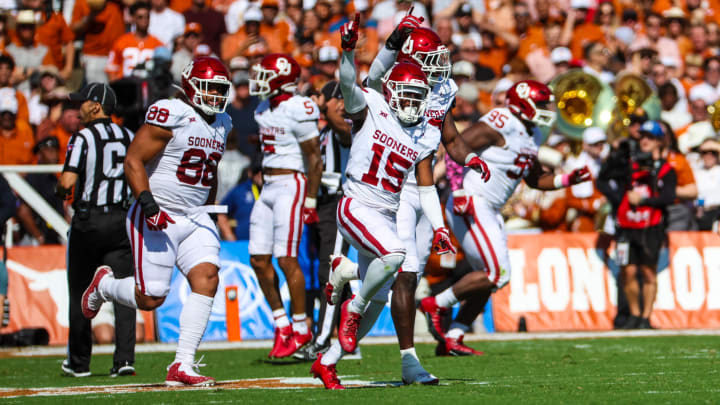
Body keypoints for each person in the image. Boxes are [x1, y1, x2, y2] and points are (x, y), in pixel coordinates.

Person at [325, 18, 490, 384]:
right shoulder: (383, 98)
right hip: (382, 191)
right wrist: (365, 47)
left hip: (418, 176)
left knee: (393, 283)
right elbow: (358, 84)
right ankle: (408, 358)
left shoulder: (440, 92)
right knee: (401, 269)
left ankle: (334, 352)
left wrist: (470, 160)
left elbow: (447, 137)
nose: (438, 70)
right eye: (430, 61)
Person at [81, 57, 233, 386]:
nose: (216, 96)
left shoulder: (223, 122)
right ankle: (105, 285)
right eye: (210, 88)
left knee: (207, 278)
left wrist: (209, 206)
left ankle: (183, 364)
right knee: (151, 299)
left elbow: (210, 170)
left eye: (221, 89)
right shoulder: (172, 112)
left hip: (194, 216)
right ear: (191, 85)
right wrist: (148, 205)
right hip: (160, 211)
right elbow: (134, 159)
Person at [419, 80, 592, 355]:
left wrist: (566, 179)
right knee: (495, 272)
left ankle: (454, 335)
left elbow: (535, 179)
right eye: (541, 103)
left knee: (494, 277)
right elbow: (457, 148)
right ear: (523, 102)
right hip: (474, 201)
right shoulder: (503, 119)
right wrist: (458, 187)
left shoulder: (531, 133)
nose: (546, 109)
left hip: (491, 208)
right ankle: (436, 303)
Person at [55, 83, 136, 378]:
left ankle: (79, 362)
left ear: (96, 105)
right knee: (125, 291)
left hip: (89, 222)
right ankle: (125, 359)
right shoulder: (128, 135)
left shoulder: (83, 137)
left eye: (83, 103)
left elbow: (66, 183)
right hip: (121, 220)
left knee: (79, 290)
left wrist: (60, 191)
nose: (78, 109)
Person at [247, 53, 322, 359]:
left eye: (265, 74)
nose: (259, 80)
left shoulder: (299, 107)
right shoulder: (263, 108)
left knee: (287, 258)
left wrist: (311, 199)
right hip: (268, 186)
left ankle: (302, 328)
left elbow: (315, 158)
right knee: (258, 259)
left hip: (293, 183)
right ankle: (282, 325)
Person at [291, 80, 351, 361]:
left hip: (339, 202)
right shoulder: (324, 129)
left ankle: (323, 339)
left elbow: (345, 130)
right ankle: (348, 337)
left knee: (331, 272)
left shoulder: (345, 126)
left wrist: (329, 106)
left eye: (320, 97)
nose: (314, 100)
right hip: (325, 204)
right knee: (341, 276)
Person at [612, 121, 676, 329]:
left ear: (659, 141)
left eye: (650, 137)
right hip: (626, 226)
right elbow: (604, 178)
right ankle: (634, 313)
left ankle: (646, 317)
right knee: (627, 271)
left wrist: (643, 201)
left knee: (648, 272)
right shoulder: (629, 164)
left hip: (651, 226)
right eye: (642, 137)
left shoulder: (666, 169)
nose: (645, 141)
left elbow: (668, 197)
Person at [106, 2, 164, 81]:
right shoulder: (121, 41)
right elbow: (111, 70)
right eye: (140, 17)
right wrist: (117, 88)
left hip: (148, 88)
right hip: (125, 88)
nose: (144, 20)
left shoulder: (158, 44)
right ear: (133, 18)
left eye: (147, 17)